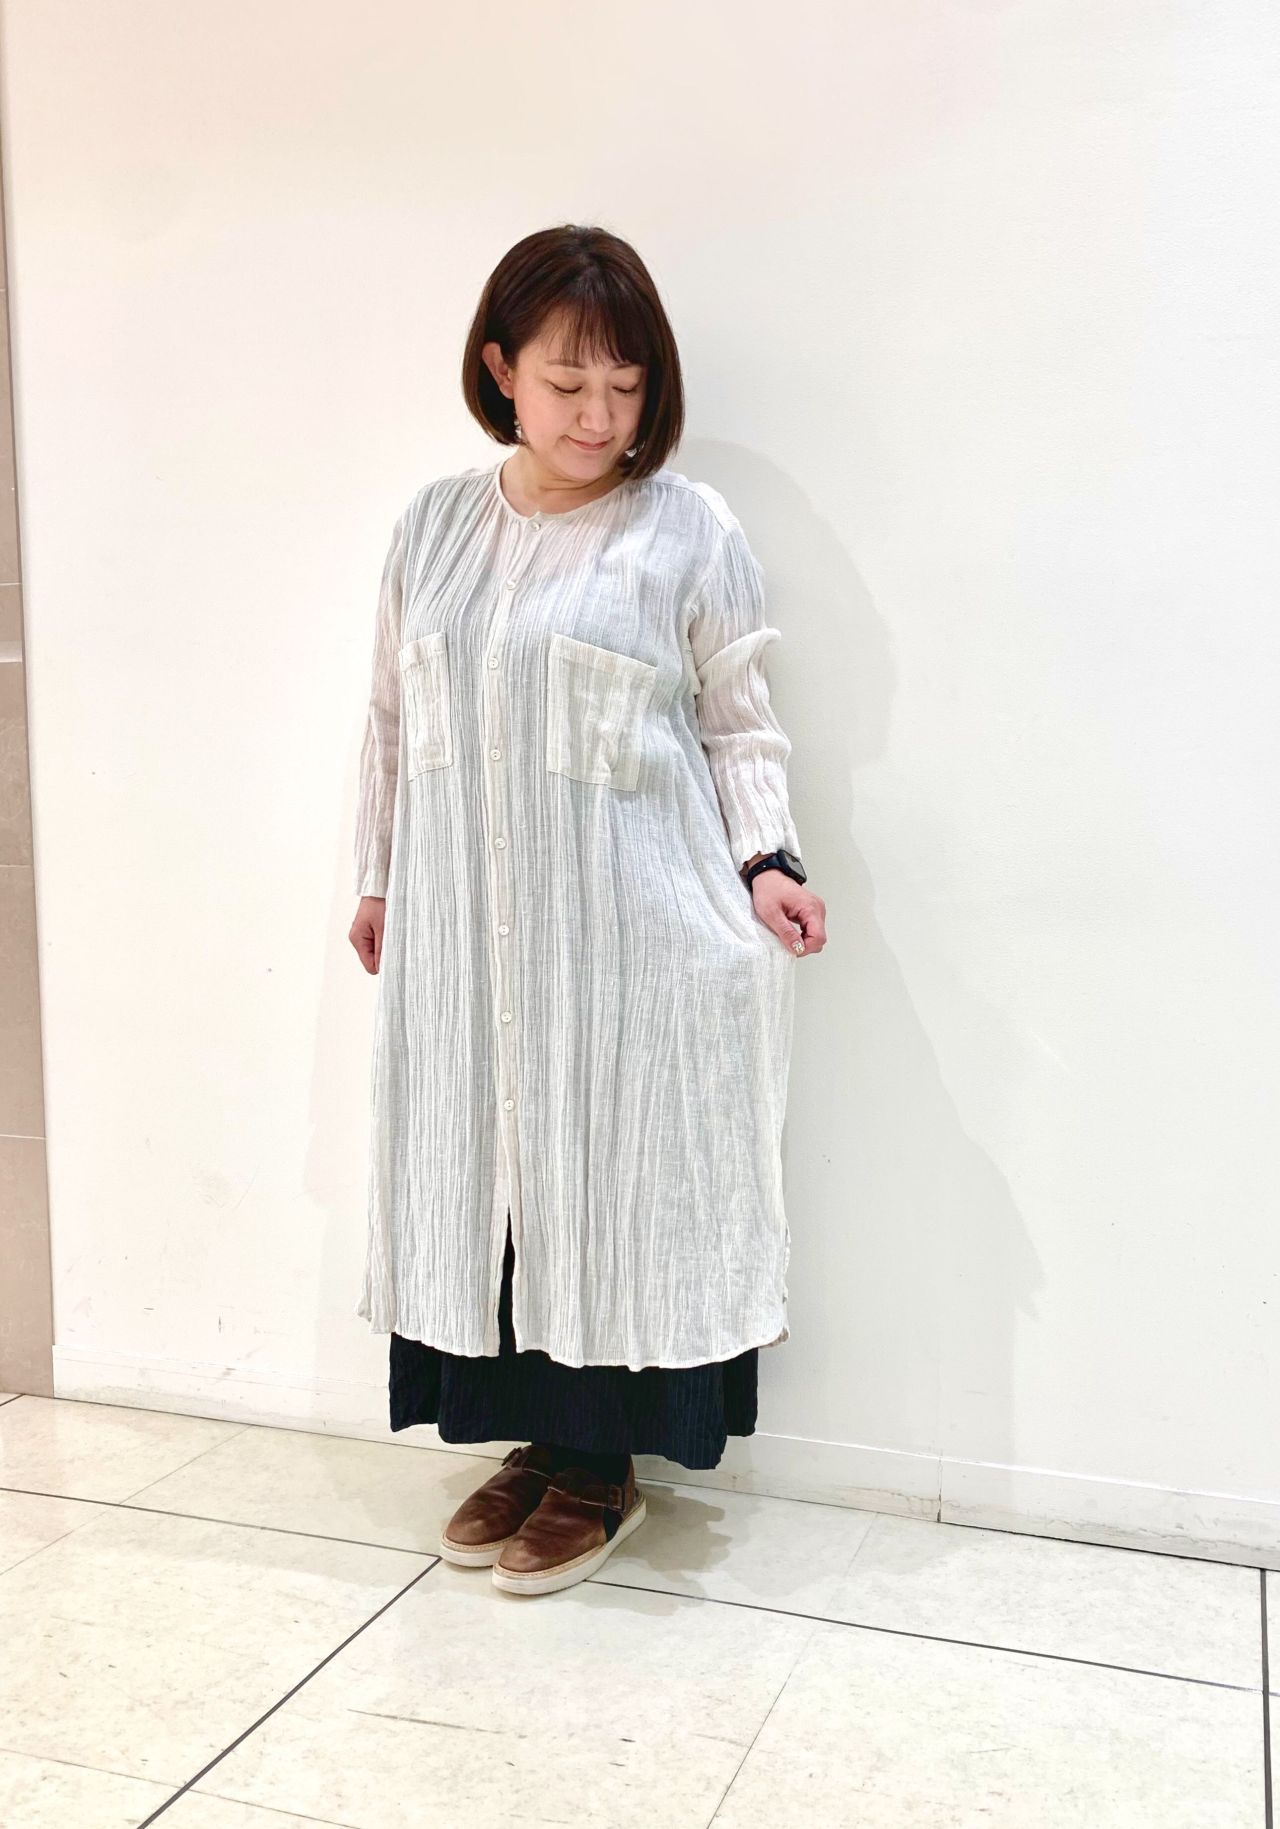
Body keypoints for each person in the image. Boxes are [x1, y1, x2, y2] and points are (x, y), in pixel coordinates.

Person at [348, 223, 827, 1597]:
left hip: (632, 938)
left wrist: (768, 859)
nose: (598, 416)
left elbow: (738, 719)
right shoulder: (432, 528)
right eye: (567, 383)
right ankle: (533, 1444)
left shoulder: (687, 528)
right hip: (467, 933)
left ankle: (601, 1465)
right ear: (501, 369)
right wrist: (377, 876)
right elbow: (391, 719)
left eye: (625, 386)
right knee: (489, 1178)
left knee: (611, 1180)